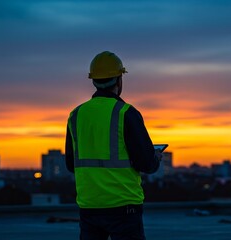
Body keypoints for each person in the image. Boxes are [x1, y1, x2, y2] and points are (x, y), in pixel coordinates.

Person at [65, 51, 162, 240]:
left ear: (93, 80)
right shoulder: (126, 113)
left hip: (89, 206)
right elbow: (146, 163)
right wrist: (156, 158)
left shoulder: (76, 115)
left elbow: (71, 164)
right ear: (119, 80)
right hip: (123, 206)